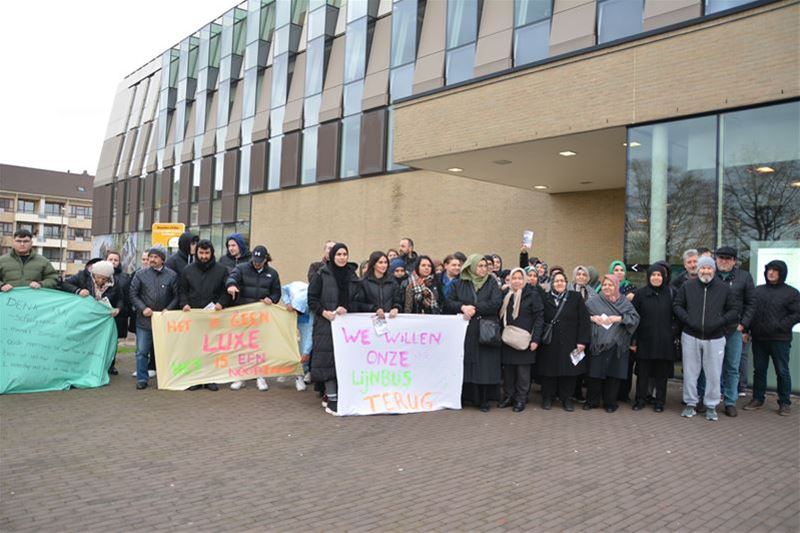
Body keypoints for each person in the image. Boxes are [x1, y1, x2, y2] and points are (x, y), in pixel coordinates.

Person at [673, 256, 738, 420]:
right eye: (703, 268)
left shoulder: (724, 288)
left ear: (714, 270)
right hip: (690, 335)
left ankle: (711, 405)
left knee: (714, 374)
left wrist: (720, 322)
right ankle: (690, 403)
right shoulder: (688, 286)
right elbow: (677, 305)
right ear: (698, 269)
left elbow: (733, 310)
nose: (706, 271)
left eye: (709, 268)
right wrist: (688, 320)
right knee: (690, 372)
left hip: (715, 337)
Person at [444, 254, 503, 412]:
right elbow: (449, 302)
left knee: (484, 366)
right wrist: (462, 307)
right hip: (467, 330)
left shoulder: (491, 282)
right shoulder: (459, 283)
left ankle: (484, 399)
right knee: (467, 363)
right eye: (480, 266)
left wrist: (474, 308)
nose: (483, 269)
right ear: (471, 267)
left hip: (485, 329)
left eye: (485, 266)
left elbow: (496, 303)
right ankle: (466, 397)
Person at [308, 243, 360, 414]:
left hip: (347, 326)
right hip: (326, 325)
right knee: (328, 361)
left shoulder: (352, 276)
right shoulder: (321, 274)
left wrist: (347, 308)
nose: (342, 257)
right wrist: (324, 312)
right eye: (339, 254)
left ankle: (342, 395)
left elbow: (358, 298)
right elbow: (312, 299)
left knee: (343, 361)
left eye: (345, 254)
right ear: (332, 256)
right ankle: (332, 398)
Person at [744, 260, 800, 416]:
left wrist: (781, 326)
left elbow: (797, 313)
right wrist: (747, 330)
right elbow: (750, 312)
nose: (771, 273)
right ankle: (757, 398)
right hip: (759, 338)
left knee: (782, 371)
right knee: (759, 370)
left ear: (782, 273)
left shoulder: (791, 293)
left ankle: (784, 402)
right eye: (769, 270)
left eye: (775, 270)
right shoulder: (757, 291)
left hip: (780, 339)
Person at [225, 245, 282, 391]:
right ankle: (240, 376)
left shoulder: (272, 274)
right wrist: (231, 285)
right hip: (243, 315)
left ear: (265, 259)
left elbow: (277, 293)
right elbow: (232, 277)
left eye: (260, 261)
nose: (257, 263)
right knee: (242, 346)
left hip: (261, 317)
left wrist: (272, 299)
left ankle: (260, 376)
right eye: (255, 260)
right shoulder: (242, 268)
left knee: (259, 347)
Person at [179, 239, 232, 391]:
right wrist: (184, 304)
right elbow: (182, 291)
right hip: (193, 316)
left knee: (212, 348)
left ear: (212, 253)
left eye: (206, 253)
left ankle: (210, 378)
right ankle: (195, 379)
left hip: (213, 316)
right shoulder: (187, 270)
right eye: (201, 253)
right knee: (194, 348)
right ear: (196, 253)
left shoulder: (222, 270)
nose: (203, 256)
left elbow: (225, 291)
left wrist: (221, 303)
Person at [535, 271, 591, 411]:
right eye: (556, 281)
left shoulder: (575, 297)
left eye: (562, 281)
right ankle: (547, 398)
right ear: (552, 284)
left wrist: (582, 341)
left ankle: (567, 399)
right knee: (548, 372)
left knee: (569, 372)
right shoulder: (545, 298)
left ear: (566, 283)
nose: (559, 283)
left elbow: (584, 321)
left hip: (570, 341)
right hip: (549, 342)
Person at [584, 275, 640, 413]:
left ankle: (610, 402)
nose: (607, 287)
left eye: (610, 285)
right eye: (604, 285)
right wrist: (592, 318)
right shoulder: (593, 301)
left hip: (617, 345)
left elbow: (635, 318)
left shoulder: (624, 302)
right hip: (597, 344)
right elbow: (581, 315)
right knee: (595, 374)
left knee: (613, 375)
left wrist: (619, 318)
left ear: (616, 286)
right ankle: (592, 401)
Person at [713, 246, 756, 418]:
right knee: (711, 367)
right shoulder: (710, 274)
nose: (723, 261)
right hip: (713, 329)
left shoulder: (744, 277)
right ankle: (710, 399)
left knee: (732, 366)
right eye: (721, 258)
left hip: (734, 330)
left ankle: (730, 401)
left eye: (727, 258)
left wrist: (743, 325)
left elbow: (751, 303)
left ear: (734, 261)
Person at [129, 247, 179, 390]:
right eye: (150, 257)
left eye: (156, 257)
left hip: (164, 321)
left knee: (166, 351)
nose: (152, 259)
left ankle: (167, 377)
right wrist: (143, 308)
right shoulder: (140, 274)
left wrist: (168, 309)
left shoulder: (172, 276)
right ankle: (142, 379)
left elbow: (176, 296)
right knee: (142, 351)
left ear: (163, 259)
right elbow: (133, 294)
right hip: (144, 321)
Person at [631, 264, 677, 412]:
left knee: (661, 375)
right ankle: (640, 399)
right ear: (648, 277)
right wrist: (634, 340)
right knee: (643, 373)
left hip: (665, 341)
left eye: (659, 275)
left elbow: (678, 316)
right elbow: (634, 319)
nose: (656, 278)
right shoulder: (640, 294)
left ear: (664, 277)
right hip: (645, 340)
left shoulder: (671, 293)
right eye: (653, 275)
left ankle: (659, 402)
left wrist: (672, 332)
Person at [498, 268, 544, 412]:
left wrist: (535, 339)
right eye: (514, 278)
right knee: (508, 372)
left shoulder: (533, 295)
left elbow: (539, 318)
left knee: (523, 373)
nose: (517, 281)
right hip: (508, 339)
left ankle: (521, 399)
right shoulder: (506, 294)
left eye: (520, 278)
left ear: (524, 280)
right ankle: (509, 397)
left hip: (525, 340)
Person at [353, 251, 401, 318]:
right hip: (370, 320)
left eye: (385, 262)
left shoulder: (393, 282)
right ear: (373, 264)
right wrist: (374, 309)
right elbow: (359, 304)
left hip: (389, 319)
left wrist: (396, 308)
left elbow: (398, 300)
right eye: (380, 262)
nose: (384, 265)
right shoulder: (364, 282)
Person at [105, 250, 130, 375]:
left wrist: (123, 310)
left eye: (116, 260)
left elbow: (126, 296)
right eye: (111, 259)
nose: (113, 262)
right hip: (103, 313)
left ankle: (111, 365)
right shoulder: (100, 274)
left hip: (118, 314)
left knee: (114, 341)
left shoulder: (125, 277)